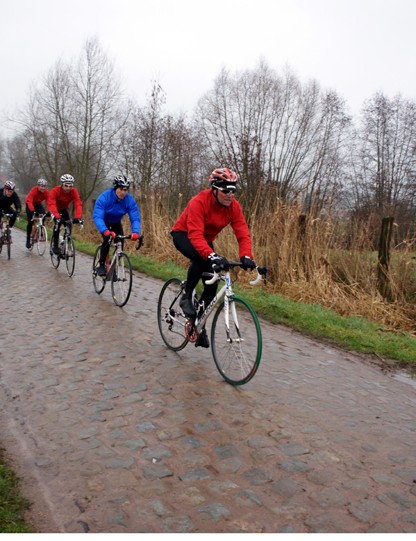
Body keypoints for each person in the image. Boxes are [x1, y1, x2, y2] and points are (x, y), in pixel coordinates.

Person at [171, 167, 256, 348]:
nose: (230, 195)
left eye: (233, 190)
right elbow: (194, 235)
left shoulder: (234, 207)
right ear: (215, 189)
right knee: (201, 258)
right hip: (184, 234)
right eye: (226, 190)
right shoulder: (199, 202)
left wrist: (246, 255)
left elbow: (242, 233)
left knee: (212, 282)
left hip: (205, 240)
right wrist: (212, 255)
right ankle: (187, 295)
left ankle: (198, 326)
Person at [92, 174, 141, 276]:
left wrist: (135, 232)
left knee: (120, 244)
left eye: (126, 190)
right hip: (104, 222)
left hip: (116, 222)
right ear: (115, 188)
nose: (123, 192)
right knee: (107, 239)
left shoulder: (129, 200)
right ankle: (101, 265)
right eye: (121, 189)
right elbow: (97, 216)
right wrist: (105, 231)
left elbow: (135, 217)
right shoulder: (105, 197)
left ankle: (112, 268)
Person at [48, 174, 83, 254]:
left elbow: (78, 204)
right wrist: (57, 216)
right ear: (62, 185)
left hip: (64, 209)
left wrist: (77, 217)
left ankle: (65, 243)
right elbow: (51, 204)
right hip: (54, 209)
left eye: (70, 186)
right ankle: (55, 245)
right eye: (66, 186)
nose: (68, 188)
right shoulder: (55, 191)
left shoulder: (74, 192)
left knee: (69, 224)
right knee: (58, 224)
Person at [25, 178, 50, 249]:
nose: (43, 188)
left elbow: (49, 202)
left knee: (43, 214)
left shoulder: (46, 193)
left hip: (38, 205)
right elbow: (29, 201)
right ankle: (28, 240)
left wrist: (49, 211)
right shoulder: (34, 190)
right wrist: (32, 210)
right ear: (38, 186)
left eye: (44, 186)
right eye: (41, 186)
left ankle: (41, 230)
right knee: (30, 221)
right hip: (30, 204)